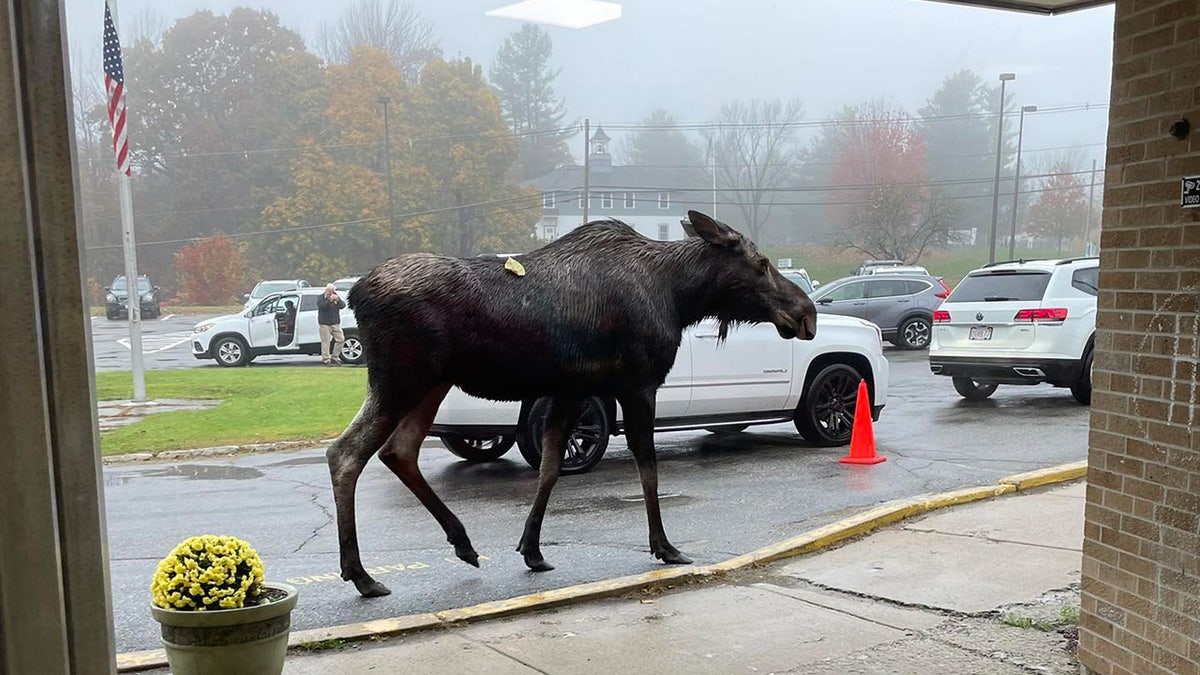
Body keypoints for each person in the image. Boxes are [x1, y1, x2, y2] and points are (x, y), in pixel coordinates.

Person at [317, 284, 346, 366]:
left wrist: (338, 300)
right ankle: (326, 359)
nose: (331, 293)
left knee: (341, 339)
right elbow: (321, 306)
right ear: (326, 290)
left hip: (335, 323)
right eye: (329, 291)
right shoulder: (320, 297)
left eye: (332, 291)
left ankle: (335, 357)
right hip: (324, 323)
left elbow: (343, 306)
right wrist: (329, 300)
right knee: (326, 342)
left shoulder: (336, 296)